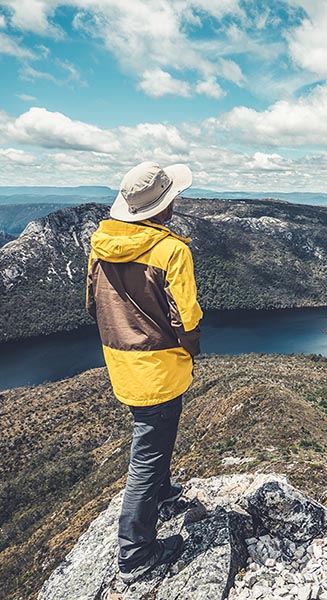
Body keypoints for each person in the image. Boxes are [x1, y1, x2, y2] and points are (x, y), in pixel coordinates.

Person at [86, 161, 202, 583]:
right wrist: (191, 349)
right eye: (171, 198)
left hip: (121, 362)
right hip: (160, 368)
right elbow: (186, 318)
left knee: (157, 434)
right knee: (147, 456)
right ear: (160, 207)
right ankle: (135, 554)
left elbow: (93, 305)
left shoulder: (101, 244)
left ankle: (164, 494)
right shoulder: (172, 251)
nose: (176, 203)